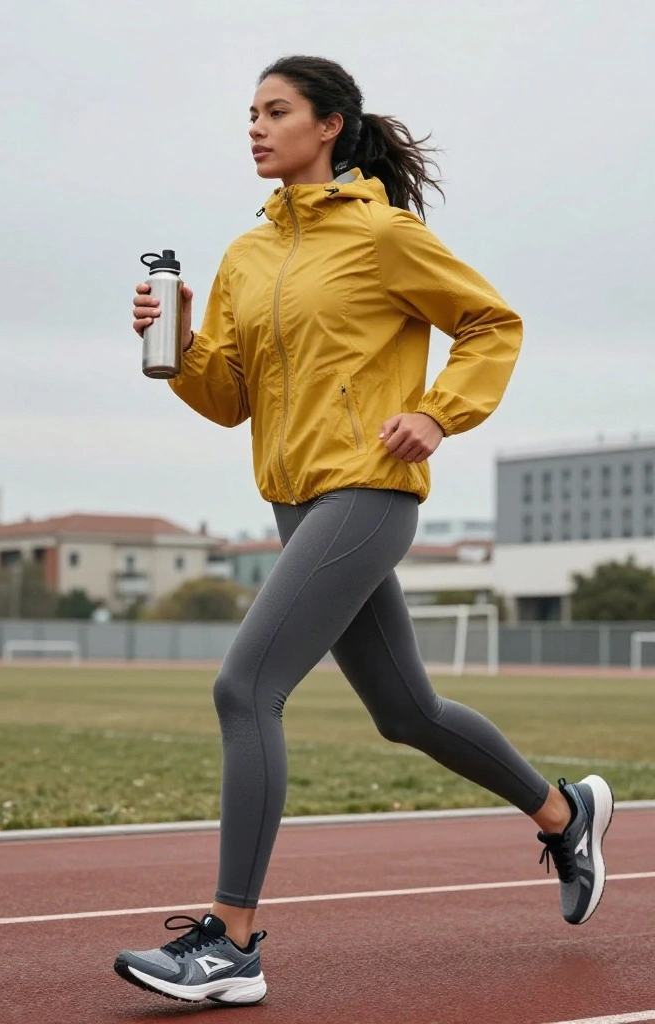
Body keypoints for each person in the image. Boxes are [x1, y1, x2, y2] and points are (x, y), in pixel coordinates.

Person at [114, 55, 614, 1007]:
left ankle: (232, 944)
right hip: (296, 499)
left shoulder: (383, 235)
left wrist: (437, 412)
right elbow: (228, 399)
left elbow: (490, 323)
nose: (255, 128)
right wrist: (174, 348)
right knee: (406, 714)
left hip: (370, 489)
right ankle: (565, 812)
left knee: (245, 687)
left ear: (330, 125)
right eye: (249, 114)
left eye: (276, 111)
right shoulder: (244, 255)